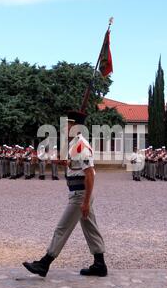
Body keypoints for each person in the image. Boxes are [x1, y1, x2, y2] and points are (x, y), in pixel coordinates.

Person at [23, 110, 107, 278]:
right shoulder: (73, 144)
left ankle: (44, 263)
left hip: (80, 195)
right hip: (79, 193)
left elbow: (89, 173)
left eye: (68, 124)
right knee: (90, 228)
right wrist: (65, 162)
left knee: (62, 228)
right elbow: (75, 166)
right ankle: (100, 264)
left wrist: (85, 201)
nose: (64, 127)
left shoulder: (81, 145)